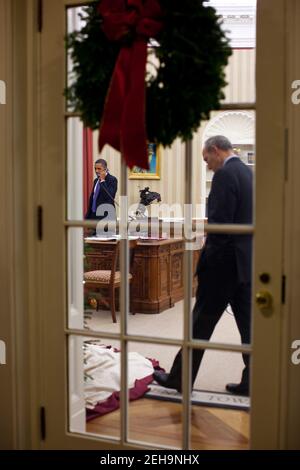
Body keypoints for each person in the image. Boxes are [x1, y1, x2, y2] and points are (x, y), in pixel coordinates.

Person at [153, 135, 253, 396]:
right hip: (244, 265)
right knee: (250, 328)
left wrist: (206, 263)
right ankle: (252, 381)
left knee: (199, 326)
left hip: (222, 270)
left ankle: (179, 379)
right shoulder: (247, 173)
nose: (208, 165)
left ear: (216, 150)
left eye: (207, 159)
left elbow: (219, 227)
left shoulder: (224, 175)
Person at [85, 158, 118, 222]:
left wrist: (103, 180)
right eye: (95, 169)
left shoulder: (112, 179)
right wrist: (87, 216)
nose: (96, 171)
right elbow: (93, 198)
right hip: (94, 217)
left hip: (106, 217)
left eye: (99, 169)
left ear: (105, 169)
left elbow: (109, 196)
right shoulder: (96, 180)